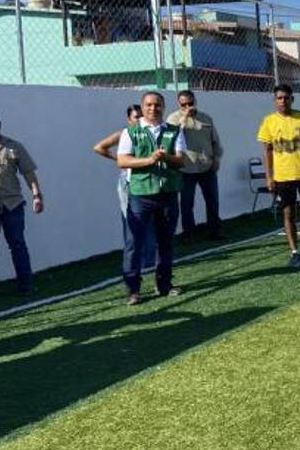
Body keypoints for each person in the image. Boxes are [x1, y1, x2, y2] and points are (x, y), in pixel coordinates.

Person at [116, 92, 187, 305]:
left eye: (157, 105)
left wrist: (166, 157)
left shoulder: (174, 131)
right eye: (148, 105)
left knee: (165, 241)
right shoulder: (130, 132)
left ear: (163, 107)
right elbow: (122, 160)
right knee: (134, 242)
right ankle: (133, 289)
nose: (153, 108)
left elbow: (181, 160)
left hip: (167, 194)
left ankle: (164, 284)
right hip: (140, 195)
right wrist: (149, 160)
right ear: (142, 107)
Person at [0, 108, 44, 302]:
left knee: (17, 245)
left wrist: (36, 195)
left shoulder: (14, 146)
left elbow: (28, 173)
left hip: (13, 205)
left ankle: (26, 286)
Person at [257, 84, 300, 268]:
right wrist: (269, 177)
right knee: (288, 214)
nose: (283, 101)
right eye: (279, 98)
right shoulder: (269, 121)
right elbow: (267, 151)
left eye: (286, 98)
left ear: (292, 99)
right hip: (283, 177)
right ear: (274, 100)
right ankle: (295, 252)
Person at [93, 105, 156, 270]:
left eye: (142, 116)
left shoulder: (150, 132)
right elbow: (99, 147)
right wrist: (119, 159)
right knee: (131, 220)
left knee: (150, 220)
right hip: (128, 181)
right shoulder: (124, 134)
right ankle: (135, 260)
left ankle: (150, 257)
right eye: (136, 117)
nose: (140, 119)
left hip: (147, 180)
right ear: (129, 119)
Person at [167, 90, 223, 240]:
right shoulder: (173, 119)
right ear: (179, 104)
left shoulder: (206, 118)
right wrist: (184, 117)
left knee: (212, 201)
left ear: (195, 101)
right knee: (186, 203)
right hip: (186, 168)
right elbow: (172, 136)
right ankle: (189, 234)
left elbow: (215, 140)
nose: (187, 106)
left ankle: (214, 231)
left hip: (206, 166)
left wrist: (217, 158)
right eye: (183, 104)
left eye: (190, 103)